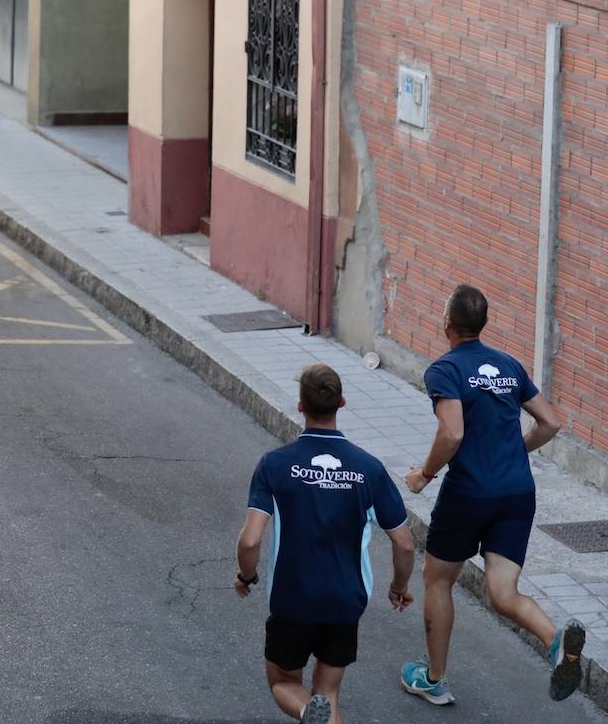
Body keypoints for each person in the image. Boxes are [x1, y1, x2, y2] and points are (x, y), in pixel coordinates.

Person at [399, 286, 584, 707]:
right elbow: (551, 423)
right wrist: (513, 451)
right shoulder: (508, 365)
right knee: (503, 593)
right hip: (517, 492)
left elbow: (452, 432)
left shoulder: (444, 370)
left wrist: (424, 475)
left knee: (438, 580)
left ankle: (436, 680)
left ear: (447, 323)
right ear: (483, 324)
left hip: (468, 494)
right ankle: (556, 643)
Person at [235, 364, 416, 724]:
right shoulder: (369, 468)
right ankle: (316, 710)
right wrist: (398, 587)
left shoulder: (275, 464)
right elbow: (405, 543)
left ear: (300, 406)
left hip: (293, 598)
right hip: (345, 600)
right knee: (328, 694)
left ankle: (305, 711)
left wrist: (246, 575)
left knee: (284, 682)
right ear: (342, 403)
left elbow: (251, 538)